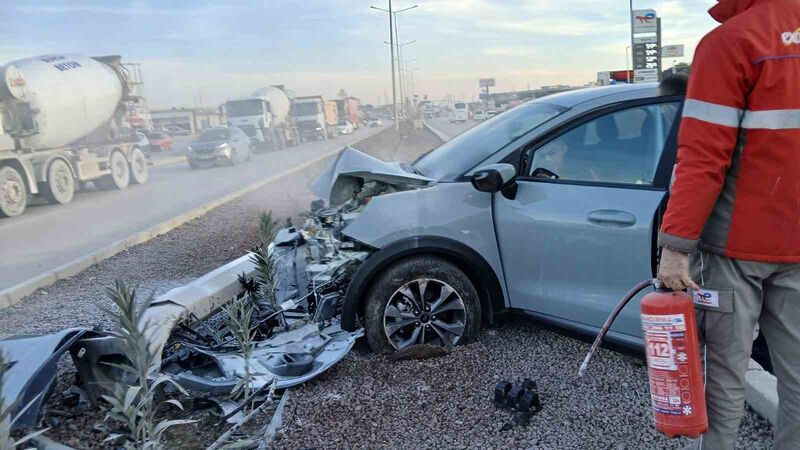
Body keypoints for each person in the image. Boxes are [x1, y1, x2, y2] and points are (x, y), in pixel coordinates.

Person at [657, 0, 800, 448]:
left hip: (735, 252)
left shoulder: (732, 42)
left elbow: (702, 159)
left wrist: (676, 247)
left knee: (725, 377)